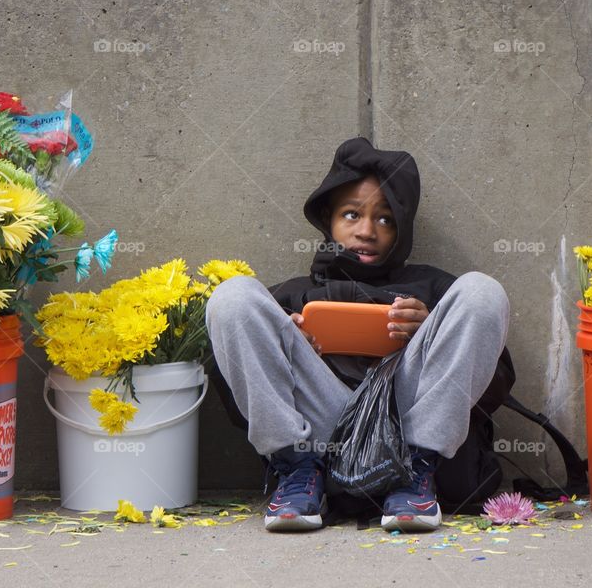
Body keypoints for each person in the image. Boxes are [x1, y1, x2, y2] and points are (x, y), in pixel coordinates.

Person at [205, 137, 509, 532]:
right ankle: (296, 472)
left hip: (404, 434)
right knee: (234, 295)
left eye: (385, 219)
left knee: (483, 290)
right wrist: (288, 349)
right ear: (328, 218)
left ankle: (414, 477)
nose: (367, 231)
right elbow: (237, 389)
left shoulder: (435, 288)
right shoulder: (291, 295)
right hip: (321, 439)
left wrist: (431, 332)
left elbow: (493, 383)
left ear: (402, 228)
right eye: (351, 215)